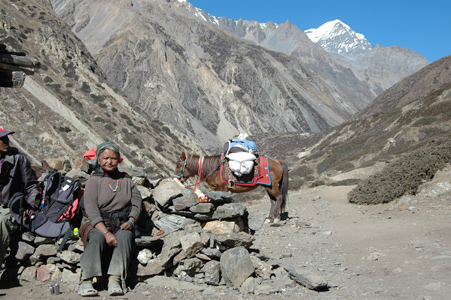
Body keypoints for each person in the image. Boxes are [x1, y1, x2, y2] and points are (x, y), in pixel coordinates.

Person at [78, 141, 142, 297]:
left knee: (125, 236)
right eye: (105, 158)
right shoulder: (94, 181)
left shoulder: (126, 180)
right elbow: (92, 211)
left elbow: (137, 204)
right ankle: (86, 280)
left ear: (118, 160)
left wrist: (131, 220)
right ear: (99, 160)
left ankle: (115, 279)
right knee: (97, 238)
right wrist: (106, 233)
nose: (109, 161)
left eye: (113, 158)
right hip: (99, 223)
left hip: (122, 222)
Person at [0, 127, 41, 267]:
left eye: (7, 138)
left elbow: (31, 186)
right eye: (1, 139)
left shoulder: (18, 159)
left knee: (1, 223)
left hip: (10, 207)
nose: (6, 141)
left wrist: (31, 205)